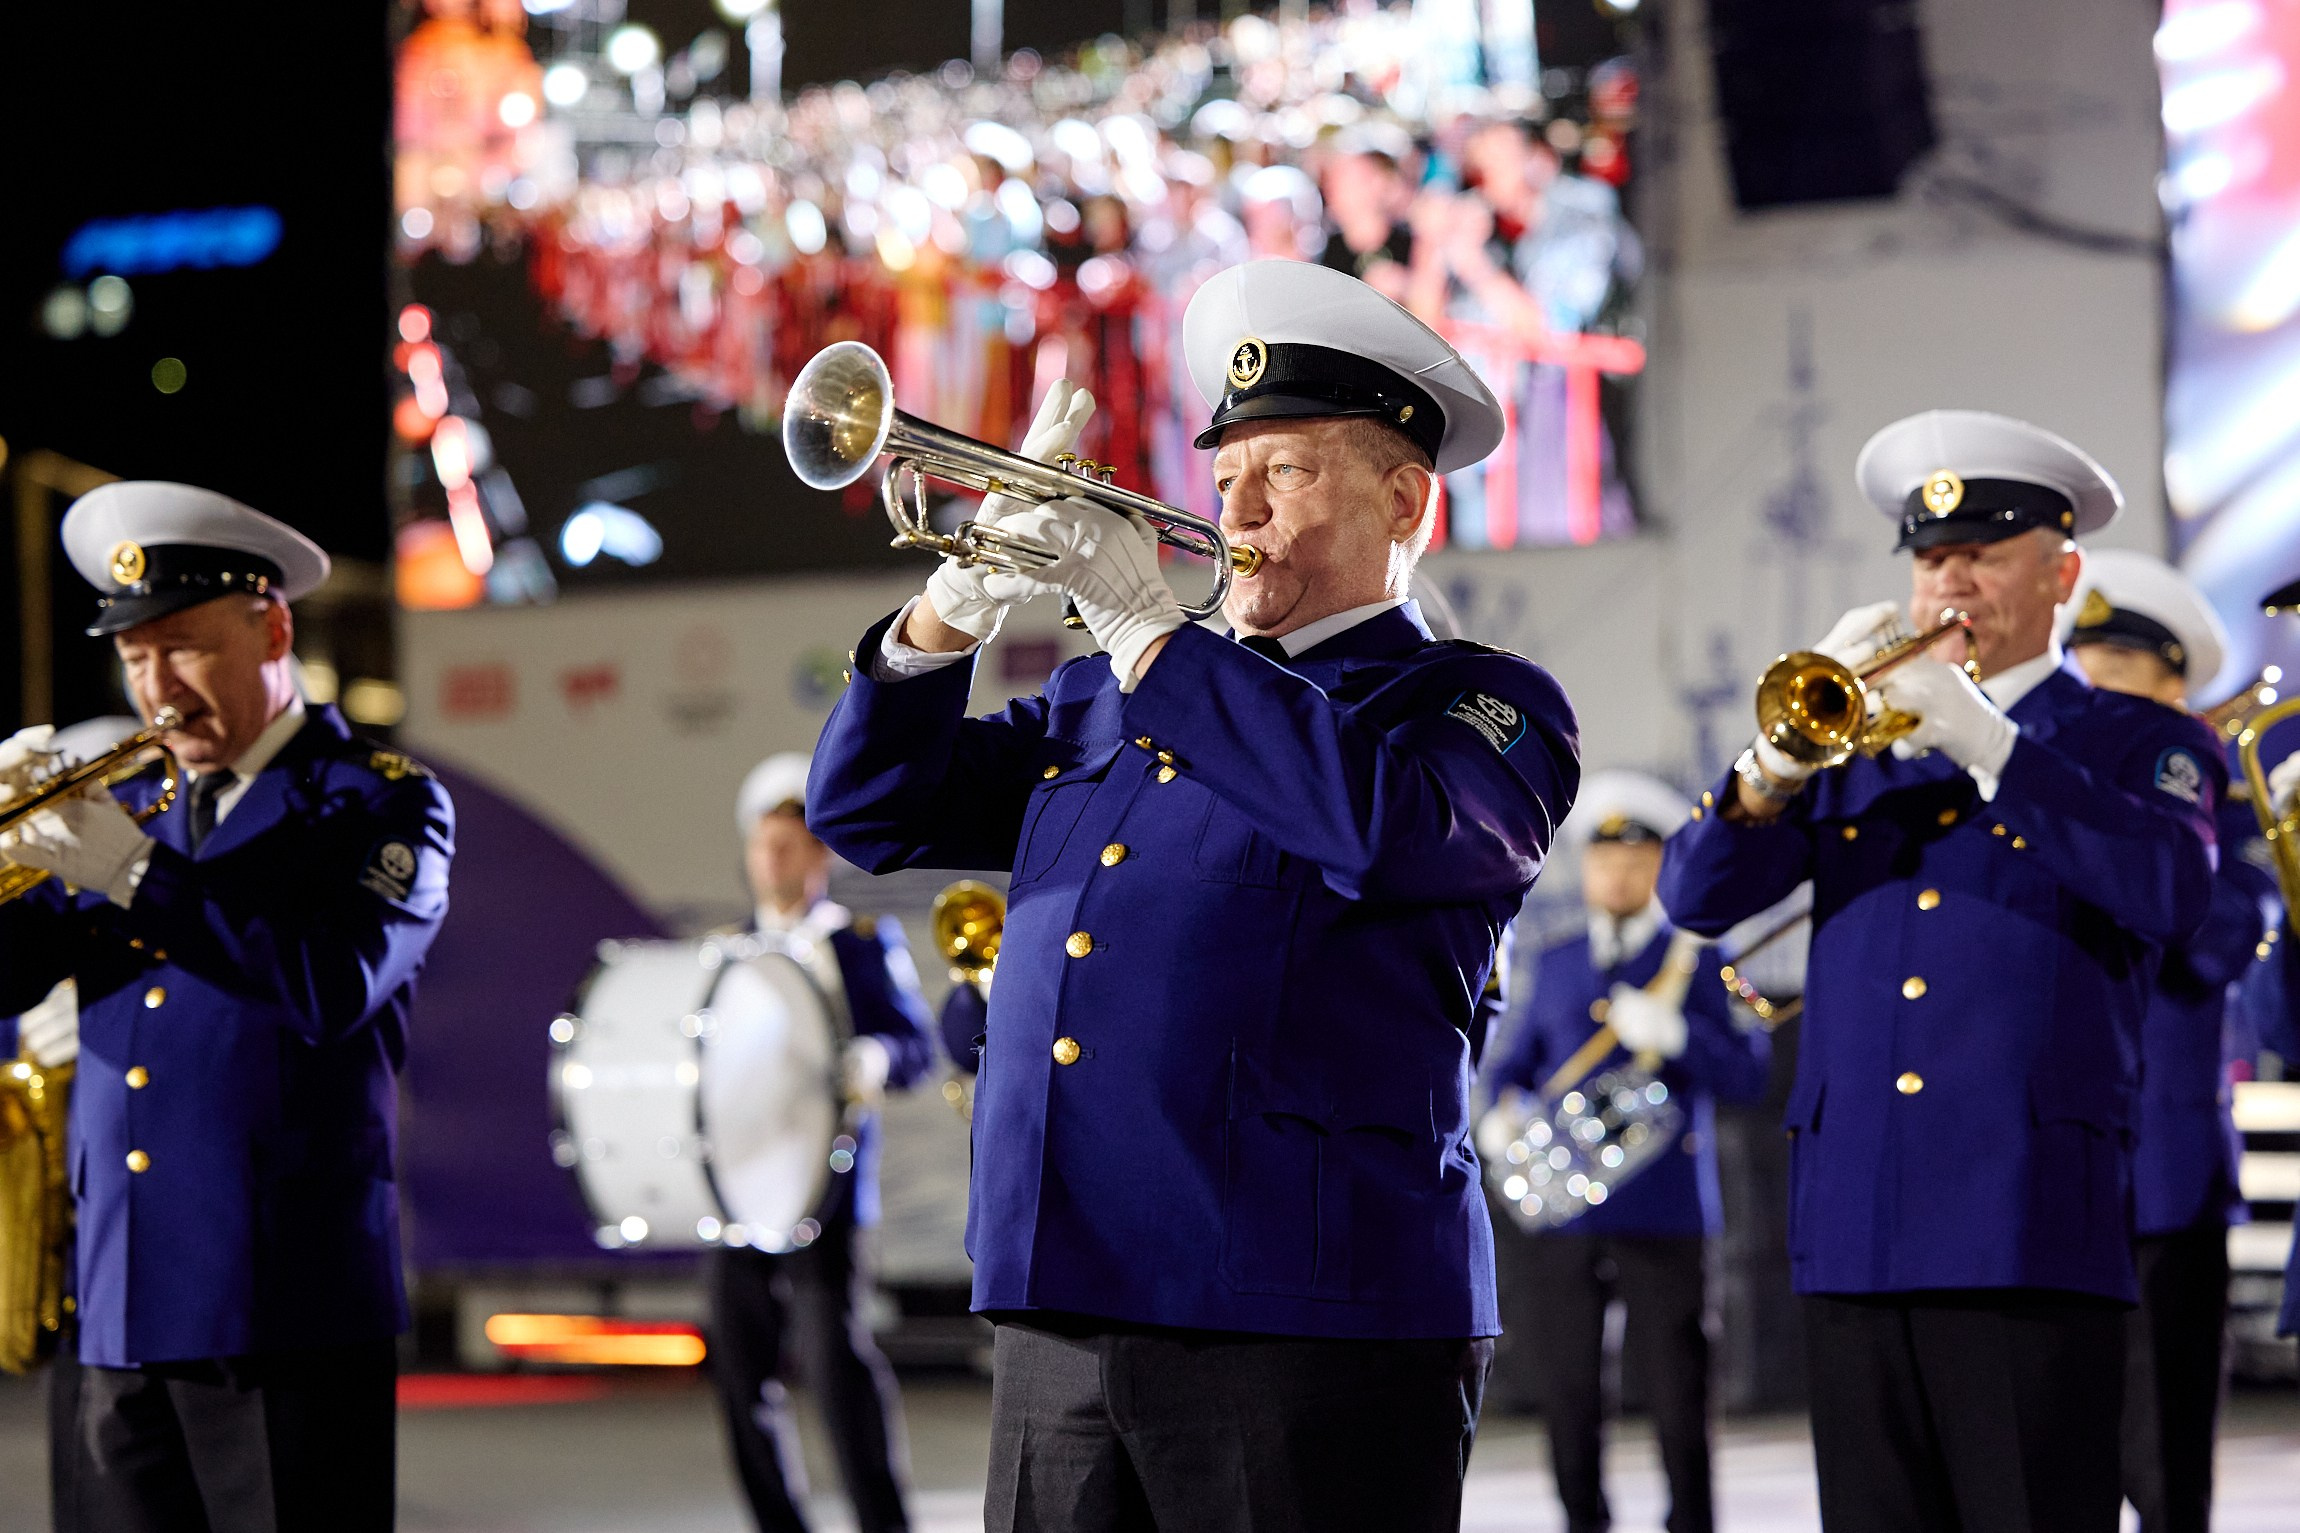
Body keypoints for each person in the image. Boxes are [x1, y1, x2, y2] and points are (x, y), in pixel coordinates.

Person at [807, 258, 1581, 1531]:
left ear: (1405, 502)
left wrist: (1143, 627)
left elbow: (1378, 834)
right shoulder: (1104, 698)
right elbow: (873, 813)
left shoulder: (1470, 707)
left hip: (1301, 1314)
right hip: (1063, 1292)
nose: (1237, 513)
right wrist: (949, 612)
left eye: (1284, 473)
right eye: (1223, 477)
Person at [1657, 411, 2221, 1533]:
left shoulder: (2128, 742)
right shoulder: (1856, 741)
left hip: (2026, 1224)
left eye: (1979, 556)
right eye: (1928, 560)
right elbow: (1696, 894)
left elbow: (2170, 894)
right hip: (1854, 1222)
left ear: (2060, 573)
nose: (1947, 582)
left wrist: (1988, 743)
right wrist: (1771, 765)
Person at [0, 481, 455, 1533]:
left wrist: (128, 873)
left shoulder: (376, 798)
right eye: (136, 658)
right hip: (114, 1308)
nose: (159, 690)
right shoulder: (134, 803)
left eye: (186, 649)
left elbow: (329, 984)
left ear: (273, 629)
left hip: (280, 1313)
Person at [1480, 771, 1769, 1533]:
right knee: (1569, 1385)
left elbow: (1751, 1072)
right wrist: (1501, 1109)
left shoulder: (1700, 957)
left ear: (1659, 867)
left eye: (1635, 858)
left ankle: (1693, 1521)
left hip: (1665, 1209)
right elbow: (1513, 1062)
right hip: (1567, 1212)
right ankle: (1582, 1518)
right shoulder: (1559, 956)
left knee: (1680, 1388)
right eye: (1604, 859)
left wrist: (1680, 1035)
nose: (1616, 872)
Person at [2065, 551, 2270, 1533]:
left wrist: (2117, 839)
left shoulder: (2222, 816)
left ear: (2172, 682)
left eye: (2116, 675)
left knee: (2161, 1458)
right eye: (2080, 673)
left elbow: (2211, 941)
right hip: (2043, 1168)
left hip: (2160, 1174)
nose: (2091, 694)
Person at [706, 751, 936, 1533]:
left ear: (819, 853)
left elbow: (912, 1044)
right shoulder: (725, 953)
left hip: (827, 1193)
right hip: (738, 1190)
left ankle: (883, 1519)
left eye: (792, 841)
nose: (774, 857)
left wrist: (873, 1055)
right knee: (741, 1377)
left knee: (838, 1370)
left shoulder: (859, 942)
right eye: (764, 842)